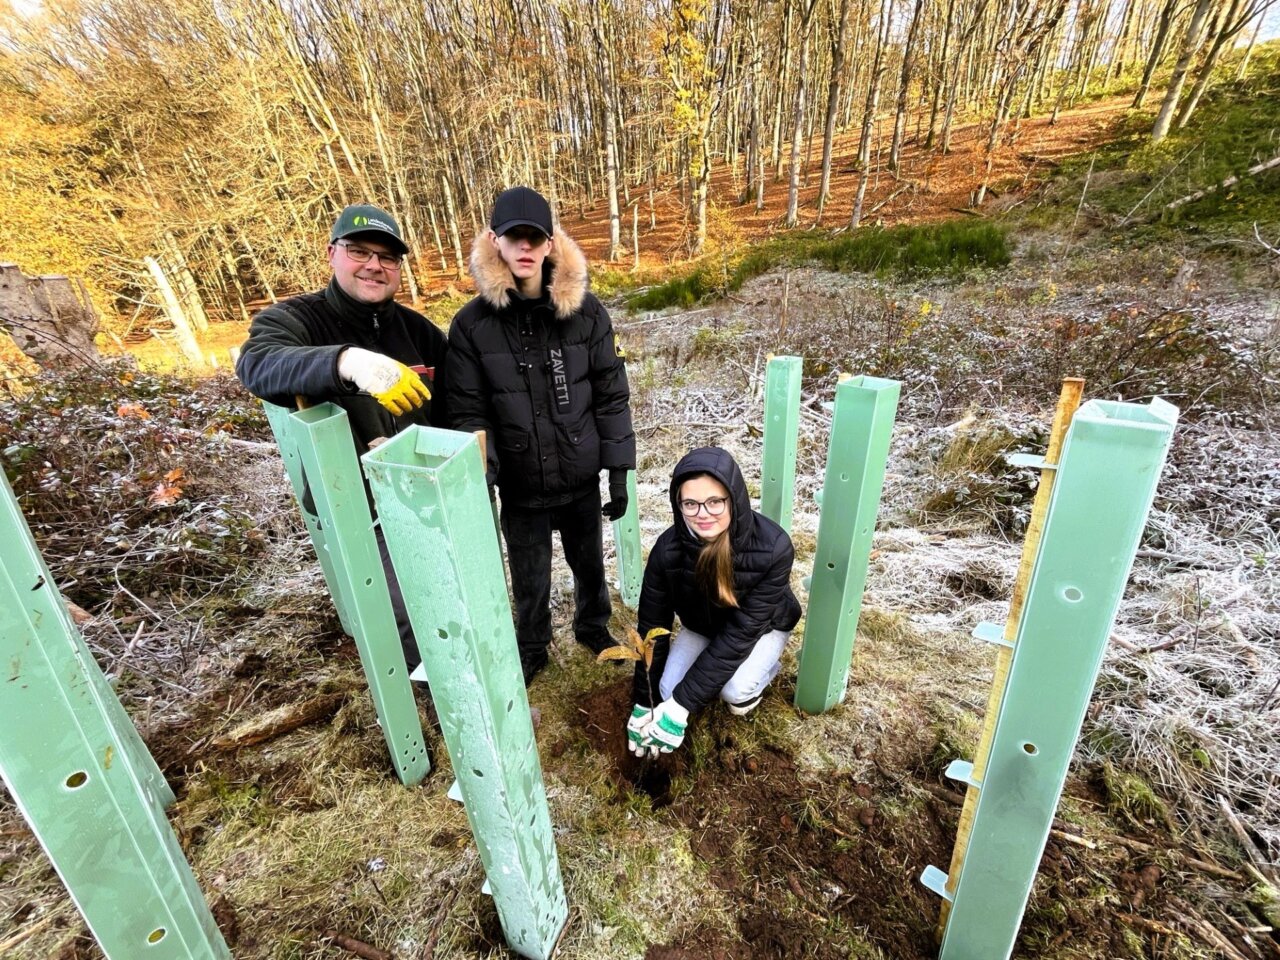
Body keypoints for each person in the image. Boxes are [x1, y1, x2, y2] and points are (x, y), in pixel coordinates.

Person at [235, 203, 448, 672]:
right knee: (403, 612)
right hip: (359, 507)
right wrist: (345, 362)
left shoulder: (416, 331)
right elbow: (257, 363)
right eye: (358, 251)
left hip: (426, 496)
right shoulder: (297, 321)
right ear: (332, 253)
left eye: (387, 257)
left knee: (449, 593)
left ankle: (458, 673)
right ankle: (431, 699)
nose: (374, 265)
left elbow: (461, 401)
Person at [447, 186, 635, 684]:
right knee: (529, 577)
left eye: (535, 237)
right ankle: (532, 645)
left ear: (550, 243)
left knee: (589, 564)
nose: (525, 248)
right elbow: (469, 408)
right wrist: (481, 470)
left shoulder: (587, 312)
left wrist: (618, 469)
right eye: (515, 237)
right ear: (496, 241)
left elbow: (610, 393)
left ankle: (593, 627)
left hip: (578, 476)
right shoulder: (470, 326)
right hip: (521, 482)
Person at [627, 446, 802, 757]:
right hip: (702, 625)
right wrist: (644, 701)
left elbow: (738, 637)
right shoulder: (666, 552)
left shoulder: (773, 549)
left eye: (714, 502)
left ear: (733, 498)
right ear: (677, 505)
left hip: (761, 627)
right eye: (690, 504)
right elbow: (653, 626)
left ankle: (762, 672)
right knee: (666, 690)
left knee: (735, 693)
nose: (703, 514)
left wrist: (681, 707)